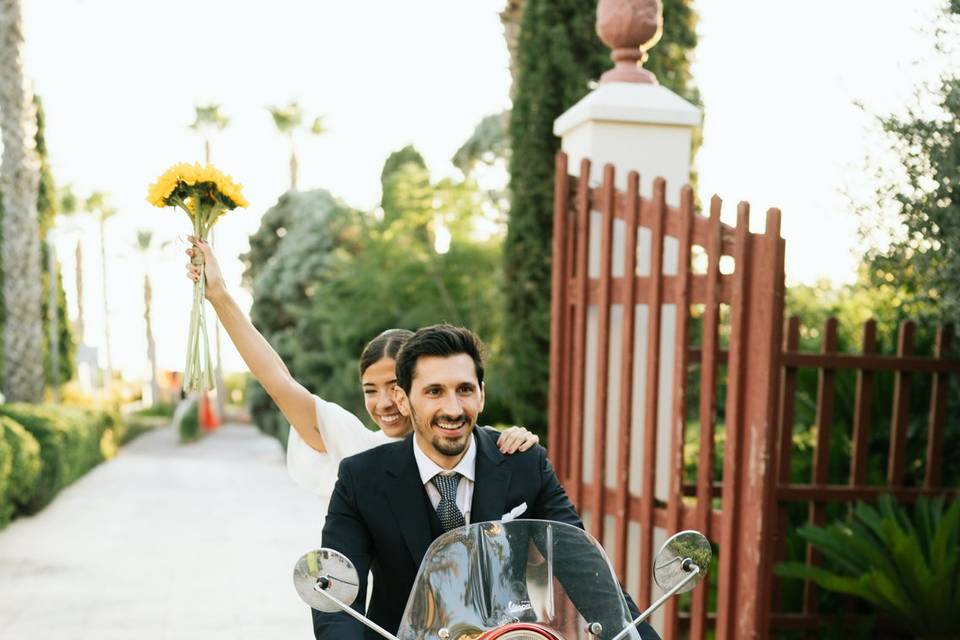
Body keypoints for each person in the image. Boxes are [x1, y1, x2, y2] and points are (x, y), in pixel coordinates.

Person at [316, 324, 659, 640]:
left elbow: (586, 572)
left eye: (464, 390)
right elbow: (337, 595)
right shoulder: (360, 478)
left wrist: (636, 636)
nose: (453, 409)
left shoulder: (525, 463)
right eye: (434, 391)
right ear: (404, 400)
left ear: (481, 394)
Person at [184, 238, 539, 503]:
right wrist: (220, 296)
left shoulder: (472, 446)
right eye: (370, 389)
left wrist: (515, 440)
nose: (384, 402)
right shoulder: (356, 450)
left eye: (395, 387)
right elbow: (278, 381)